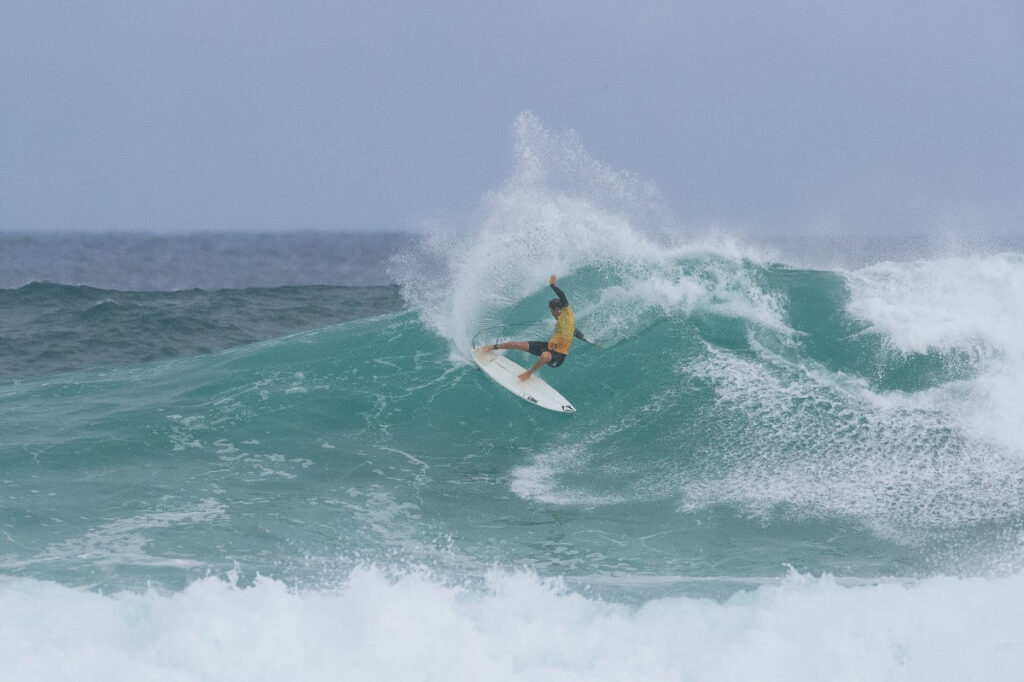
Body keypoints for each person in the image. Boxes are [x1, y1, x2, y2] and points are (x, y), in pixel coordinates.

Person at [483, 274, 588, 381]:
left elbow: (562, 296)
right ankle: (490, 347)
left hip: (558, 356)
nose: (551, 314)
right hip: (549, 346)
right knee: (515, 344)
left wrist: (552, 285)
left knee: (544, 356)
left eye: (552, 311)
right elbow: (574, 330)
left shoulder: (566, 313)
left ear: (557, 309)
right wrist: (585, 339)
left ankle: (528, 374)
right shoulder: (564, 320)